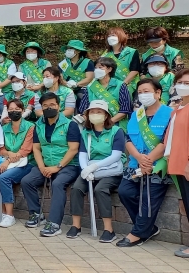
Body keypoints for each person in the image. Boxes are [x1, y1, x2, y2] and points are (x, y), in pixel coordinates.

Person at [117, 78, 173, 247]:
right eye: (140, 93)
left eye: (147, 91)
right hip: (136, 163)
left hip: (157, 165)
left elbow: (167, 140)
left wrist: (148, 160)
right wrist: (140, 158)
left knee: (148, 197)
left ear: (158, 93)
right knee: (124, 192)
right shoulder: (136, 114)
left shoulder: (170, 113)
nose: (143, 95)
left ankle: (138, 233)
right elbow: (128, 139)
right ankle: (147, 228)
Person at [21, 92, 81, 237]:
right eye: (45, 106)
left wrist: (57, 167)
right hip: (45, 164)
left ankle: (54, 224)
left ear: (59, 106)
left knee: (58, 183)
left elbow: (73, 149)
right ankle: (36, 214)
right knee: (26, 181)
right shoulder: (38, 125)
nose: (49, 108)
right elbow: (36, 148)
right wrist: (41, 167)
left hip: (68, 166)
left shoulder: (70, 124)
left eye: (52, 105)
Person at [66, 100, 125, 243]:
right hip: (90, 169)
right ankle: (76, 226)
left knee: (100, 189)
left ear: (106, 115)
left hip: (110, 170)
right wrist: (85, 169)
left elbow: (116, 155)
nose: (95, 114)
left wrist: (94, 167)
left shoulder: (116, 131)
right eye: (92, 112)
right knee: (77, 188)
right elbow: (82, 154)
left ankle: (109, 230)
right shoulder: (86, 132)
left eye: (99, 112)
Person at [0, 99, 34, 228]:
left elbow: (25, 150)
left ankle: (10, 215)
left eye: (17, 109)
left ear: (23, 111)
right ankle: (1, 212)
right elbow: (1, 149)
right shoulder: (3, 128)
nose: (14, 112)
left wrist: (8, 159)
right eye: (11, 109)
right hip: (8, 160)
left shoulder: (30, 127)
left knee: (4, 177)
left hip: (25, 163)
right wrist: (8, 155)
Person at [162, 68, 189, 257]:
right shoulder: (178, 109)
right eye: (180, 82)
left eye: (187, 83)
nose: (182, 86)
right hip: (178, 164)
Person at [76, 57, 132, 129]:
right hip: (94, 125)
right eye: (96, 68)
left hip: (116, 124)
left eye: (100, 67)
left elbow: (125, 110)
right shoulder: (90, 87)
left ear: (109, 69)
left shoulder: (120, 85)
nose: (97, 70)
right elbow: (83, 109)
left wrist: (108, 123)